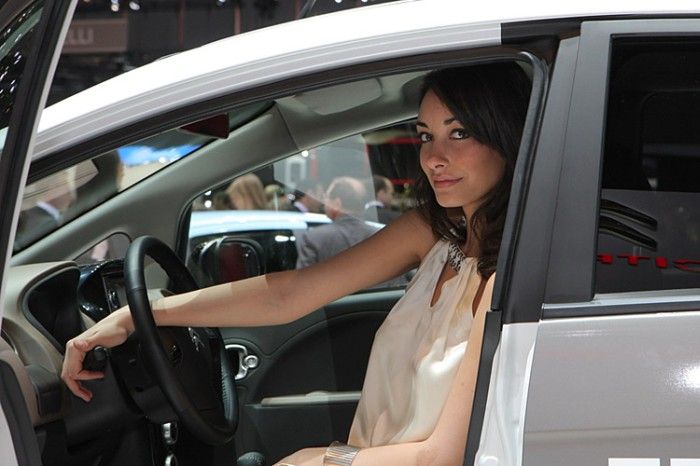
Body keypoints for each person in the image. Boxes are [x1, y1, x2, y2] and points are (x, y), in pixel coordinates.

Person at [62, 63, 531, 466]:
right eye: (426, 135)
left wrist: (328, 458)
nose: (433, 157)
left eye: (460, 133)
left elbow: (445, 456)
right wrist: (140, 314)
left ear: (505, 136)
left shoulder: (503, 278)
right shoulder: (435, 233)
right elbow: (289, 293)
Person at [296, 176, 377, 269]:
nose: (324, 202)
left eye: (327, 197)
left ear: (337, 203)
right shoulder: (378, 235)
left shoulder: (314, 238)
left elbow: (304, 280)